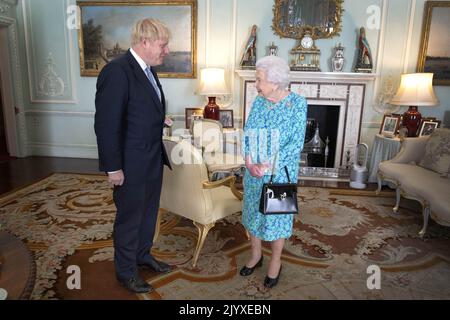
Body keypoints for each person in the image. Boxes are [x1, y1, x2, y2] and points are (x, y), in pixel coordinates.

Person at [94, 18, 172, 294]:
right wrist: (113, 168)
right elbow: (106, 125)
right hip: (129, 164)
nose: (166, 51)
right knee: (130, 218)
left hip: (151, 159)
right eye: (163, 45)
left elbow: (137, 109)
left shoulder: (148, 70)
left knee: (149, 213)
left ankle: (142, 256)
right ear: (145, 42)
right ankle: (125, 272)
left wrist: (159, 118)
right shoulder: (116, 72)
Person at [241, 55, 307, 288]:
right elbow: (248, 132)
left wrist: (268, 165)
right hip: (254, 173)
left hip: (280, 173)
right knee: (253, 214)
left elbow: (295, 143)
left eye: (259, 79)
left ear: (275, 80)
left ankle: (276, 261)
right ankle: (256, 255)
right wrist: (250, 163)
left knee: (277, 218)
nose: (256, 84)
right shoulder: (259, 101)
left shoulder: (297, 104)